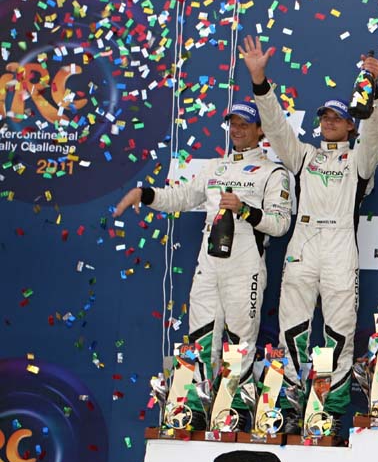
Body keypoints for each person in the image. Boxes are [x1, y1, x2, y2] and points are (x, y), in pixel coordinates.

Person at [114, 101, 292, 427]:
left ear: (260, 130)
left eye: (245, 124)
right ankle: (193, 408)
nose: (237, 130)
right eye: (233, 123)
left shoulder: (273, 173)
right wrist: (145, 194)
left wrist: (244, 210)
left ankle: (232, 411)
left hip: (245, 264)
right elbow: (180, 197)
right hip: (209, 263)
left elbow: (280, 225)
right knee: (200, 335)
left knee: (240, 341)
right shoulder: (213, 168)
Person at [241, 36, 378, 432]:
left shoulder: (359, 159)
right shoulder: (304, 155)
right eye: (325, 116)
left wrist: (374, 94)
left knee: (339, 330)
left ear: (351, 124)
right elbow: (275, 127)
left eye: (338, 117)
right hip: (303, 244)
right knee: (292, 327)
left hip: (340, 245)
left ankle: (329, 411)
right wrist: (259, 81)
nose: (329, 122)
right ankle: (289, 406)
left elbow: (375, 136)